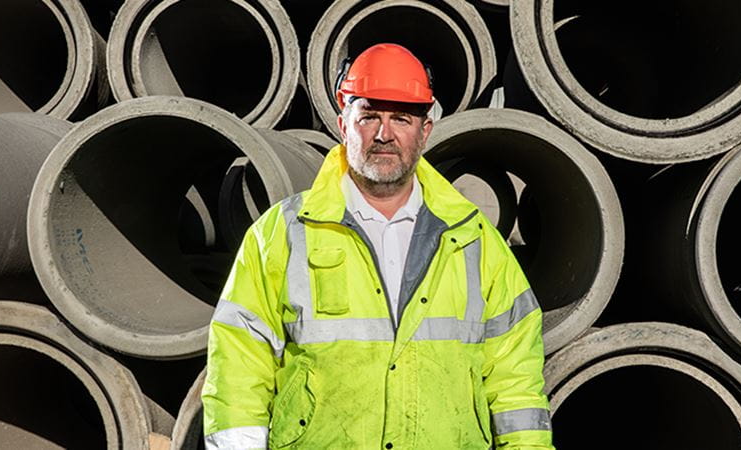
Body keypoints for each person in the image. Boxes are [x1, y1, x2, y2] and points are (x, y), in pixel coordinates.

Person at [202, 43, 553, 449]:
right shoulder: (282, 233)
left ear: (425, 131)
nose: (384, 134)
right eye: (369, 116)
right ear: (343, 125)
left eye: (401, 118)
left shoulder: (473, 240)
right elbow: (239, 363)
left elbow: (516, 380)